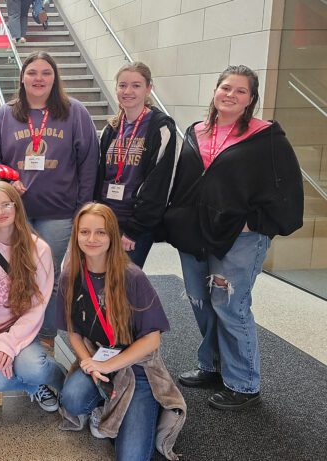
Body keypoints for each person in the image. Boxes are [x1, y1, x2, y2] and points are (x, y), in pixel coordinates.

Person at [164, 65, 303, 410]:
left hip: (241, 239)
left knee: (230, 306)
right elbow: (186, 181)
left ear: (251, 99)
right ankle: (213, 365)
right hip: (197, 234)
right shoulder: (196, 131)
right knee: (200, 299)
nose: (231, 95)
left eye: (240, 91)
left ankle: (243, 384)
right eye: (226, 88)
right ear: (215, 91)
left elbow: (287, 193)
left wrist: (251, 224)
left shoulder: (266, 139)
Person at [0, 50, 99, 342]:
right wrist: (8, 178)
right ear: (22, 78)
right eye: (32, 72)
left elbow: (89, 162)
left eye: (46, 72)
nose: (39, 78)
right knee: (11, 275)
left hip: (57, 214)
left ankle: (44, 340)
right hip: (13, 214)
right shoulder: (5, 114)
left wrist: (82, 208)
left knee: (49, 279)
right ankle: (12, 335)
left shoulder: (75, 112)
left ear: (55, 78)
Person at [57, 203, 185, 461]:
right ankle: (107, 404)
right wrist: (90, 364)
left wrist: (110, 365)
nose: (92, 239)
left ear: (112, 236)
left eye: (100, 233)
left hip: (137, 366)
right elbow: (73, 332)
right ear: (76, 235)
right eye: (85, 232)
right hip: (98, 356)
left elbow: (152, 338)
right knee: (72, 400)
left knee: (132, 457)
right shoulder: (70, 275)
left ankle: (147, 406)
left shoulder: (132, 276)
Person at [0, 181, 64, 411]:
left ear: (17, 206)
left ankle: (62, 380)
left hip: (20, 331)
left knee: (33, 368)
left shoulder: (40, 249)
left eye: (6, 204)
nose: (0, 212)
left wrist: (9, 342)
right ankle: (33, 386)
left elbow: (38, 306)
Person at [94, 62, 177, 268]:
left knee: (124, 286)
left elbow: (158, 182)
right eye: (122, 85)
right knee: (100, 282)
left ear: (149, 88)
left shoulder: (160, 127)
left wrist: (134, 229)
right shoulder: (111, 128)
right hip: (106, 219)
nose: (128, 91)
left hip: (134, 223)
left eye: (136, 85)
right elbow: (101, 174)